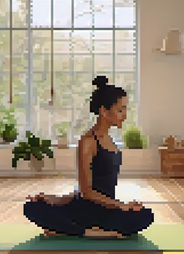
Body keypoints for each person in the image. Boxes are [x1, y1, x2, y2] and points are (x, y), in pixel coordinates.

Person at [24, 75, 155, 238]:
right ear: (104, 111)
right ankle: (94, 233)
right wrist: (122, 206)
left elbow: (101, 186)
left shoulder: (110, 140)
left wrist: (124, 206)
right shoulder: (88, 141)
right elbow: (86, 192)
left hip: (106, 208)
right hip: (87, 209)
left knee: (146, 215)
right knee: (31, 207)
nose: (125, 115)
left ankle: (68, 230)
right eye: (120, 110)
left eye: (126, 109)